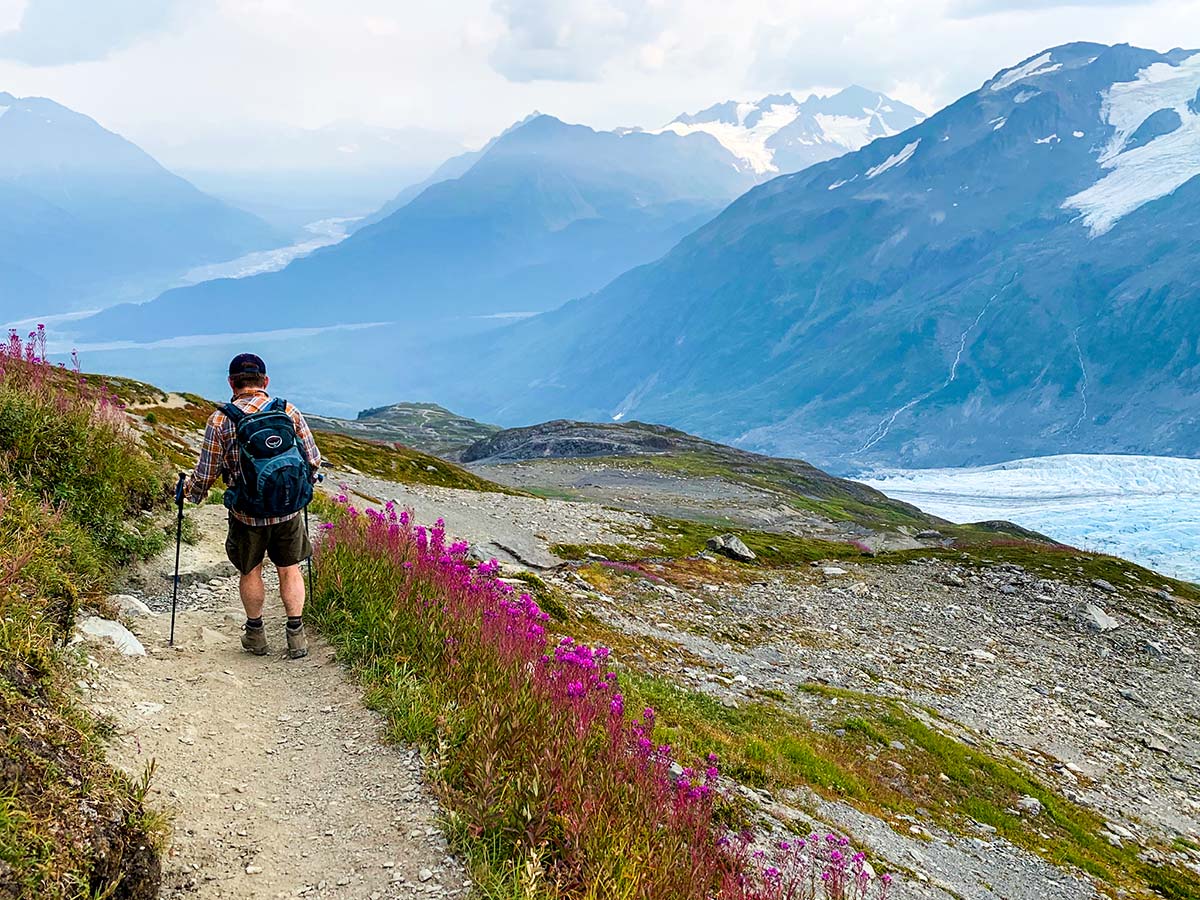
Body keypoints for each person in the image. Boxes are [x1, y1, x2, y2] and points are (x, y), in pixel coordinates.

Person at [185, 353, 322, 659]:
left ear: (232, 383)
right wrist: (305, 486)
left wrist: (191, 496)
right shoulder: (287, 410)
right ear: (265, 382)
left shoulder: (220, 419)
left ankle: (256, 635)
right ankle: (296, 636)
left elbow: (206, 473)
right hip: (287, 509)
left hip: (247, 513)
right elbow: (313, 459)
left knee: (251, 570)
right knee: (289, 569)